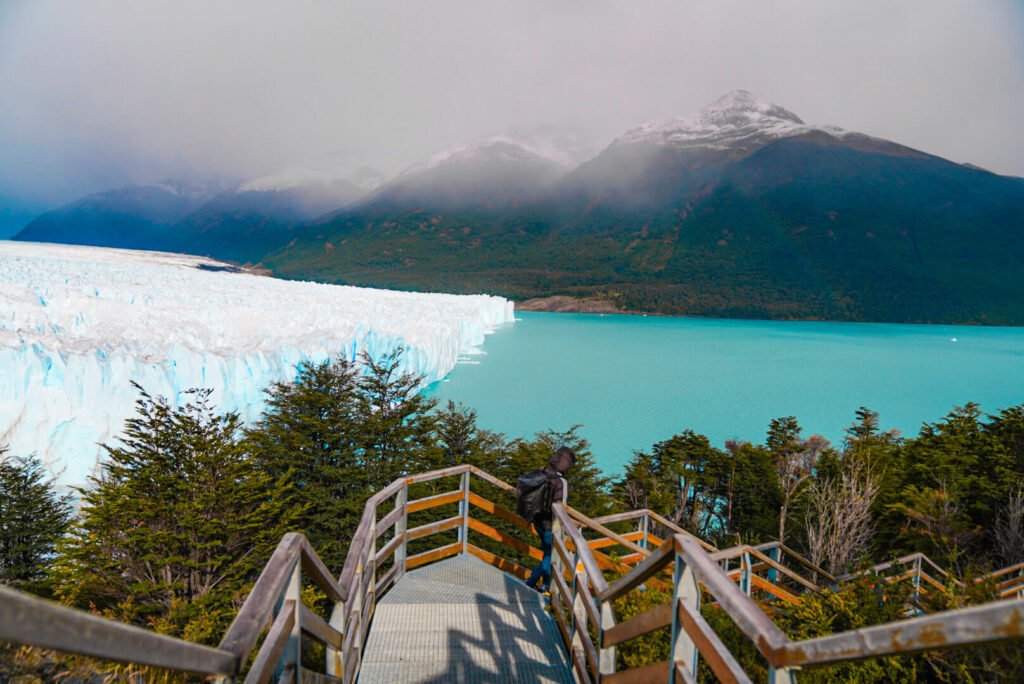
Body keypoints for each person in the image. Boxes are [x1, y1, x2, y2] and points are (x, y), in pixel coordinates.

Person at [526, 446, 576, 593]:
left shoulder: (541, 472)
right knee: (551, 556)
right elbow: (562, 507)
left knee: (547, 553)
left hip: (537, 520)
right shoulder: (561, 482)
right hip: (551, 524)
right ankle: (531, 582)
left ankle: (546, 586)